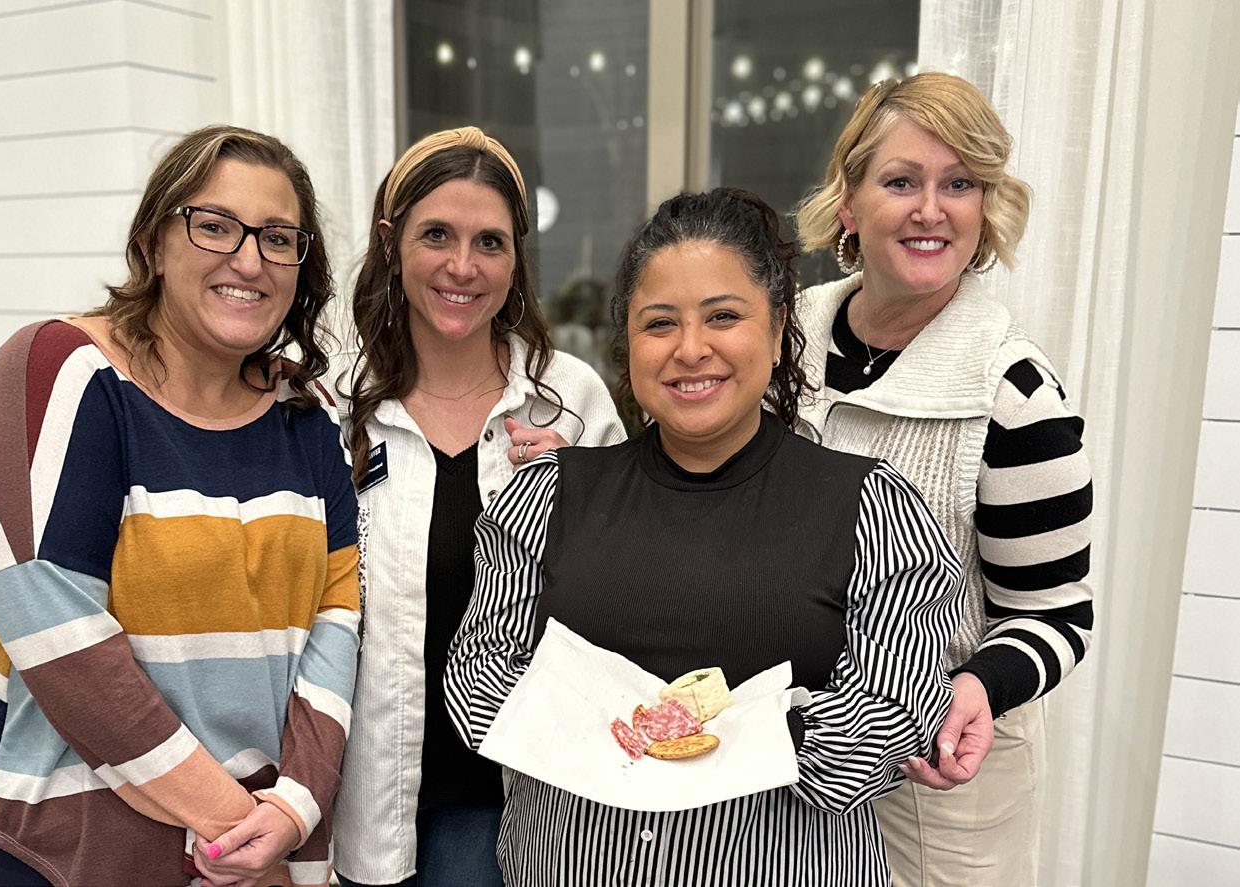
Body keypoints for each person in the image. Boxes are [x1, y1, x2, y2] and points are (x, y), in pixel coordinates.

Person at [444, 187, 966, 886]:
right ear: (628, 344)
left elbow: (893, 719)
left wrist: (696, 735)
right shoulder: (547, 496)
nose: (691, 349)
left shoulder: (874, 509)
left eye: (723, 316)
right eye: (660, 323)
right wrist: (656, 726)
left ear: (777, 329)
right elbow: (476, 682)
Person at [0, 125, 358, 887]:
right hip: (82, 849)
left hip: (263, 831)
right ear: (153, 243)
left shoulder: (306, 411)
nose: (249, 260)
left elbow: (338, 613)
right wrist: (234, 826)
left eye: (278, 238)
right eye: (215, 225)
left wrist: (296, 804)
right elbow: (55, 631)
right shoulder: (57, 374)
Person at [793, 72, 1095, 887]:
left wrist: (978, 684)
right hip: (788, 759)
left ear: (984, 207)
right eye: (901, 182)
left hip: (938, 788)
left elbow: (1055, 612)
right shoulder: (784, 336)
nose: (931, 209)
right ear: (848, 203)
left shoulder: (1015, 397)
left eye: (958, 184)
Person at [326, 126, 624, 887]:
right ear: (390, 244)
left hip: (517, 791)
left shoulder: (571, 400)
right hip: (365, 789)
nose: (463, 266)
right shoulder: (332, 402)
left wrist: (575, 494)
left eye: (489, 242)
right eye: (437, 235)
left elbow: (627, 596)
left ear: (516, 259)